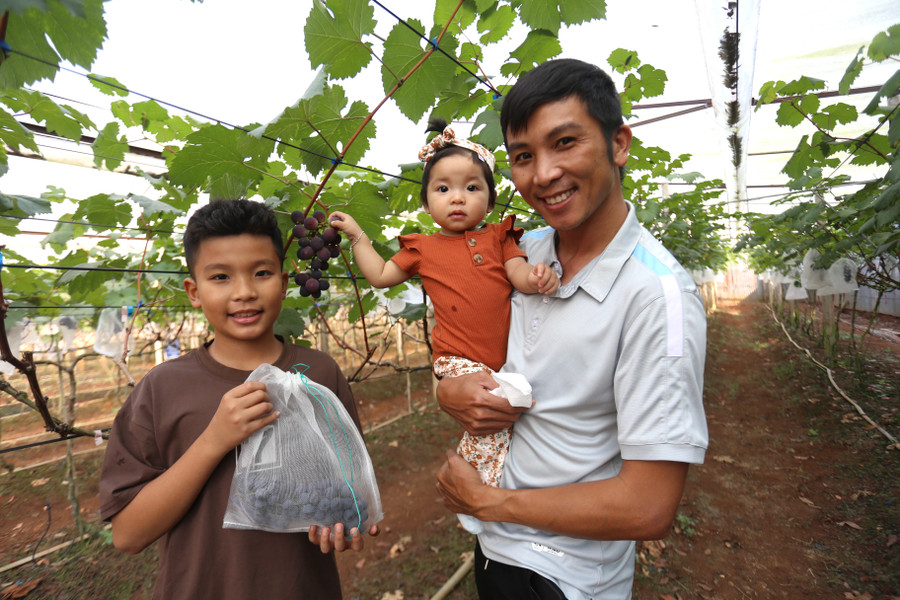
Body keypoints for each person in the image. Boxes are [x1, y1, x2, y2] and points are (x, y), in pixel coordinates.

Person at [433, 59, 709, 599]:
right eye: (523, 156)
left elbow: (648, 506)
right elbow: (460, 350)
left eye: (565, 142)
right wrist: (450, 391)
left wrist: (487, 503)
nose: (543, 174)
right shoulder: (518, 254)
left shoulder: (658, 298)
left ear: (619, 144)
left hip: (565, 576)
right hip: (495, 549)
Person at [99, 199, 378, 600]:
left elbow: (347, 491)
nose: (244, 292)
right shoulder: (161, 389)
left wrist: (346, 524)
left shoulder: (321, 373)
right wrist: (215, 438)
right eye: (220, 277)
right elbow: (127, 535)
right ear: (194, 292)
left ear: (283, 284)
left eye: (261, 273)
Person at [329, 120, 559, 530]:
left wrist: (537, 278)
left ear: (489, 202)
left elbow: (518, 273)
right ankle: (478, 496)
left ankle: (479, 481)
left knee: (506, 418)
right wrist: (359, 238)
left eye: (472, 188)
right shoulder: (422, 248)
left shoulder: (499, 238)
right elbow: (381, 275)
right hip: (457, 361)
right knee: (495, 419)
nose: (458, 197)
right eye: (443, 189)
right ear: (426, 203)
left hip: (503, 363)